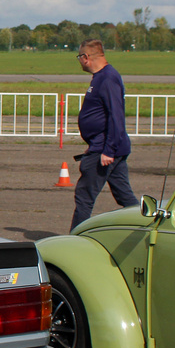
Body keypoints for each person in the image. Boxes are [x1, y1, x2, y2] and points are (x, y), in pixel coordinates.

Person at [71, 39, 138, 230]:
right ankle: (145, 227)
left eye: (79, 57)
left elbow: (116, 115)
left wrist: (108, 149)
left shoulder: (108, 78)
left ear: (85, 58)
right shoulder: (101, 77)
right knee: (125, 196)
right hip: (102, 146)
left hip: (106, 150)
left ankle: (76, 239)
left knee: (84, 196)